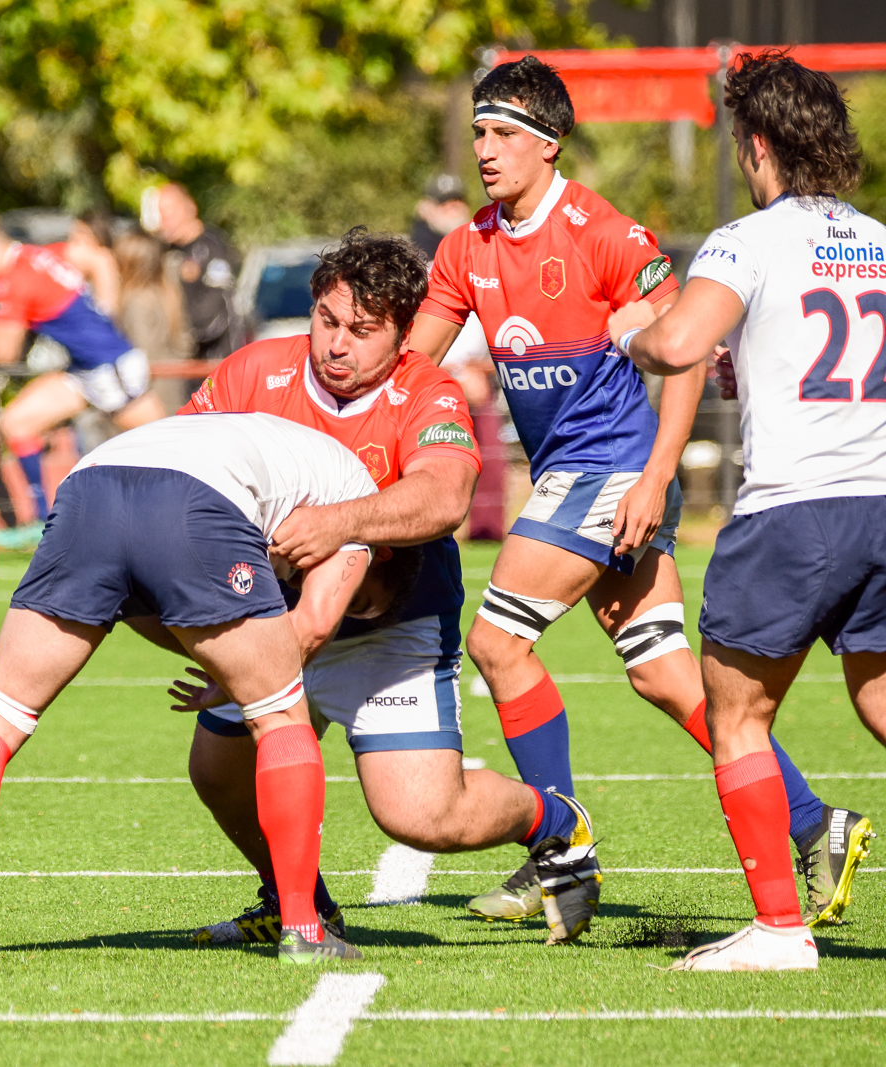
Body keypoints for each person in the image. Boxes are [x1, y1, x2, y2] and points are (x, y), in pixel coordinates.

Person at [277, 55, 861, 935]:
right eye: (479, 131)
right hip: (573, 476)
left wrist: (657, 476)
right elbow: (407, 367)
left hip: (612, 470)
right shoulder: (467, 248)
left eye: (503, 133)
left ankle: (563, 852)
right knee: (665, 674)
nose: (484, 149)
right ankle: (817, 822)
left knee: (497, 640)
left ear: (548, 144)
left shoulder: (605, 233)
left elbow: (684, 355)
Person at [178, 229, 599, 946]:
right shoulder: (254, 372)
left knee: (421, 817)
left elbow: (444, 497)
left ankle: (558, 824)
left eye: (362, 330)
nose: (337, 345)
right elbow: (182, 466)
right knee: (219, 770)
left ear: (404, 335)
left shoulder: (426, 389)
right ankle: (296, 902)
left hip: (390, 629)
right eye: (327, 321)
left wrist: (336, 523)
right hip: (278, 618)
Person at [0, 411, 390, 966]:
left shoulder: (267, 441)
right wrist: (241, 677)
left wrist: (223, 661)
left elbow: (139, 604)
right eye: (366, 603)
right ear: (385, 559)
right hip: (191, 498)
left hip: (88, 488)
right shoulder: (358, 498)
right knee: (280, 718)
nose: (358, 612)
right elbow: (313, 626)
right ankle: (304, 927)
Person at [610, 52, 881, 971]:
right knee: (880, 697)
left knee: (736, 716)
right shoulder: (879, 238)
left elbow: (679, 341)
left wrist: (632, 334)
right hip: (882, 499)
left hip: (795, 510)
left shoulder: (747, 238)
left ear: (757, 144)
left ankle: (778, 928)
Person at [0, 224, 163, 549]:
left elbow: (5, 352)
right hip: (85, 371)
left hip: (111, 370)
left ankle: (200, 513)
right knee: (17, 423)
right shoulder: (44, 252)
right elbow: (100, 259)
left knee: (167, 445)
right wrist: (105, 309)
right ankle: (42, 521)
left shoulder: (12, 280)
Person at [156, 182, 242, 361]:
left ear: (190, 208)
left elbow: (216, 311)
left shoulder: (210, 247)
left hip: (215, 357)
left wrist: (184, 337)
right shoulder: (166, 251)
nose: (166, 221)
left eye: (171, 212)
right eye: (162, 214)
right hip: (183, 359)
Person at [113, 229, 192, 415]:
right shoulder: (167, 295)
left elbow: (142, 353)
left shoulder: (136, 302)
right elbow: (186, 344)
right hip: (174, 391)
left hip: (149, 400)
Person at [410, 174, 473, 260]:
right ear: (425, 209)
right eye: (445, 201)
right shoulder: (415, 253)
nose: (454, 205)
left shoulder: (479, 242)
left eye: (459, 199)